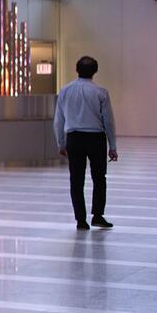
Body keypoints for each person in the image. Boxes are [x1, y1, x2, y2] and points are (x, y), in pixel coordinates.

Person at [54, 55, 118, 231]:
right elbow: (109, 121)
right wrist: (112, 146)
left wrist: (61, 143)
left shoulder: (65, 91)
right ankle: (97, 215)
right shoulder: (101, 92)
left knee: (76, 180)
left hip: (74, 138)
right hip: (96, 139)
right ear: (95, 71)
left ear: (77, 70)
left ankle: (81, 220)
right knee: (99, 178)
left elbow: (58, 120)